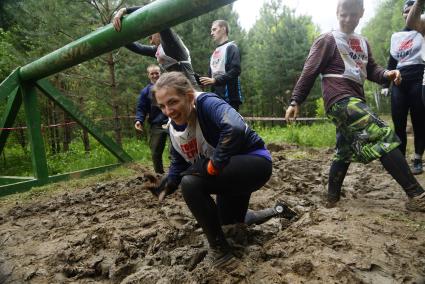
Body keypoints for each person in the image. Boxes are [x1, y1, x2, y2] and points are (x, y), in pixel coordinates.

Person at [285, 0, 425, 211]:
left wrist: (387, 74)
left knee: (344, 151)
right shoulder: (327, 40)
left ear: (361, 13)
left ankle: (331, 199)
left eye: (353, 14)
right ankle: (416, 195)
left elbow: (372, 70)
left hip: (356, 99)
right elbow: (309, 70)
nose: (348, 19)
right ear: (337, 12)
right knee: (382, 133)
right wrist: (296, 100)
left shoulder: (363, 41)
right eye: (344, 14)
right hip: (338, 99)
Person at [149, 71, 279, 269]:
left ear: (189, 97)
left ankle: (221, 254)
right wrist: (168, 183)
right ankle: (277, 210)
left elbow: (234, 127)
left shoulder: (207, 102)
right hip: (230, 174)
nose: (168, 110)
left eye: (173, 102)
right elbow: (179, 161)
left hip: (255, 163)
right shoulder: (174, 126)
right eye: (162, 106)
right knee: (229, 223)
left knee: (191, 182)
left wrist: (215, 163)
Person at [383, 0, 425, 174]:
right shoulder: (396, 36)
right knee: (398, 121)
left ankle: (417, 159)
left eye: (411, 11)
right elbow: (392, 61)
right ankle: (400, 160)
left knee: (420, 121)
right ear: (402, 14)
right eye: (406, 11)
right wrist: (385, 84)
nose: (408, 14)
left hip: (418, 79)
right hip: (399, 81)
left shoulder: (422, 30)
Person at [112, 6, 199, 89]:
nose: (151, 42)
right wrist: (118, 33)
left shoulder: (172, 42)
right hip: (179, 92)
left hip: (192, 92)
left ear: (158, 32)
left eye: (151, 37)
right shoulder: (157, 50)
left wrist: (124, 10)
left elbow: (152, 12)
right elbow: (138, 48)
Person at [199, 20, 243, 111]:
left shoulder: (231, 47)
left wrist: (215, 80)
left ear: (223, 29)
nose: (211, 33)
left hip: (230, 99)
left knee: (230, 125)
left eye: (214, 29)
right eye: (211, 30)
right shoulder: (215, 52)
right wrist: (200, 80)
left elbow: (236, 70)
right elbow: (211, 77)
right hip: (216, 98)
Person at [135, 64, 169, 174]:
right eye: (152, 73)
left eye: (157, 73)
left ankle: (178, 174)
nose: (155, 75)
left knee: (176, 150)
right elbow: (141, 108)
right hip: (156, 124)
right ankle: (160, 176)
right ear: (148, 75)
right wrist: (139, 120)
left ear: (160, 73)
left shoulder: (169, 86)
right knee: (155, 152)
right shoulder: (145, 91)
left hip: (172, 121)